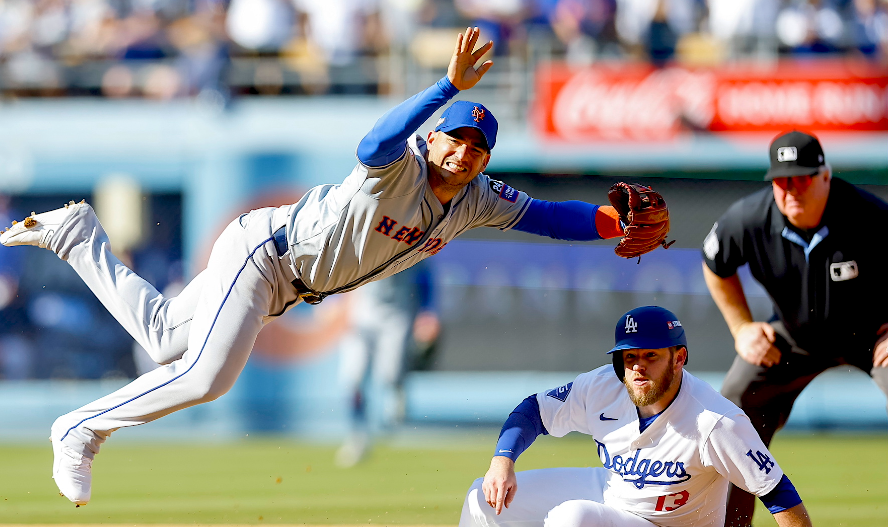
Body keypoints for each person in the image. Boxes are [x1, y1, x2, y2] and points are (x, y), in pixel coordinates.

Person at [0, 27, 665, 507]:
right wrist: (444, 88)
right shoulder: (397, 166)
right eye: (455, 137)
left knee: (164, 334)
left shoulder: (476, 199)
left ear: (486, 159)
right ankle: (79, 427)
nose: (464, 153)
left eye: (477, 146)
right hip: (265, 253)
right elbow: (370, 141)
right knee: (206, 376)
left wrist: (614, 225)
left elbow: (549, 217)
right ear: (432, 138)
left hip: (290, 285)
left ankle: (76, 236)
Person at [459, 306, 814, 527]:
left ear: (679, 358)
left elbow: (779, 494)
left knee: (573, 519)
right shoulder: (602, 386)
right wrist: (502, 460)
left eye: (651, 356)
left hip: (666, 524)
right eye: (629, 357)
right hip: (614, 492)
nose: (638, 367)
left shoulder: (715, 421)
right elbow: (533, 411)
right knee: (482, 496)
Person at [701, 130, 888, 527]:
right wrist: (742, 327)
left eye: (802, 178)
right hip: (793, 336)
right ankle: (730, 524)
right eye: (782, 181)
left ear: (825, 176)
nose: (791, 190)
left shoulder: (868, 216)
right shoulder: (749, 219)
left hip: (871, 335)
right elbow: (715, 265)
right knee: (732, 403)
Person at [334, 263, 440, 467]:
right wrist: (336, 301)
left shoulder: (407, 236)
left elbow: (425, 275)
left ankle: (397, 394)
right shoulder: (363, 236)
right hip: (362, 315)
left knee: (391, 374)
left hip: (396, 314)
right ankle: (357, 436)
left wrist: (428, 311)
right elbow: (343, 269)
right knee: (352, 379)